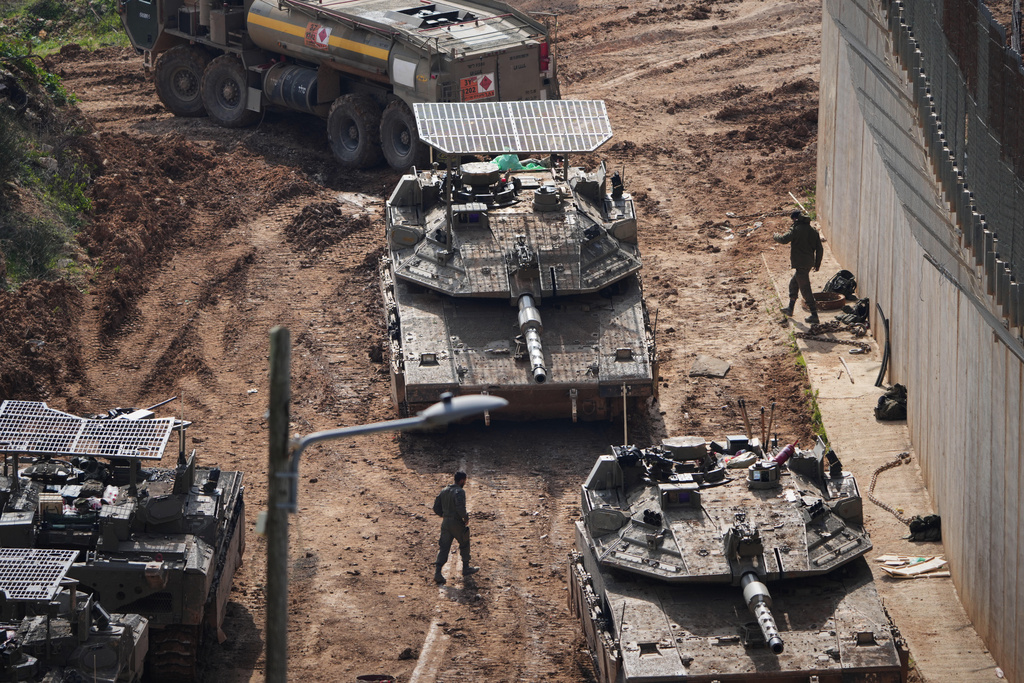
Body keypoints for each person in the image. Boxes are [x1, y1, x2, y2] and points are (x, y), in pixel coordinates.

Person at [773, 211, 824, 324]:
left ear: (795, 219)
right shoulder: (813, 231)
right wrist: (817, 264)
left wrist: (775, 236)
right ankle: (790, 308)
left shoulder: (796, 229)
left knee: (805, 289)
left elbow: (783, 239)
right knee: (793, 284)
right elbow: (820, 249)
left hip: (801, 264)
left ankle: (814, 315)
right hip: (808, 263)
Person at [432, 471, 479, 584]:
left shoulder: (444, 491)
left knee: (444, 547)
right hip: (456, 522)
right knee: (464, 542)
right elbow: (460, 507)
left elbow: (435, 507)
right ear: (462, 480)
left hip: (445, 522)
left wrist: (443, 515)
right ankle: (466, 568)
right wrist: (465, 518)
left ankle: (438, 573)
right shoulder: (459, 491)